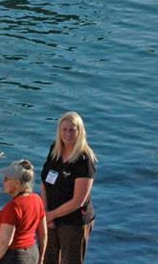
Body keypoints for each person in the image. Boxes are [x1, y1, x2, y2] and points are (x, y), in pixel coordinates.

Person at [40, 112, 97, 264]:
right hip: (50, 217)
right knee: (47, 259)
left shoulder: (84, 160)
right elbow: (44, 182)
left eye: (72, 130)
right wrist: (45, 212)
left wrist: (51, 215)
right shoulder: (55, 150)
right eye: (64, 129)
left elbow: (78, 201)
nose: (68, 134)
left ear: (80, 131)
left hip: (73, 222)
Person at [0, 160, 47, 264]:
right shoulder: (37, 199)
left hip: (12, 257)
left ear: (17, 183)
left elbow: (4, 242)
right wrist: (41, 258)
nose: (3, 181)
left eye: (7, 179)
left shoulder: (13, 207)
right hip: (32, 253)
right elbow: (43, 234)